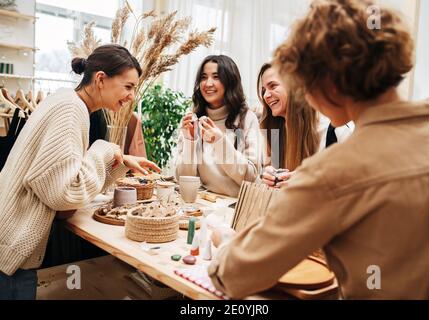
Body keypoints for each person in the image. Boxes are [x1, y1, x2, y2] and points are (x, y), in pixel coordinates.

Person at [208, 0, 429, 299]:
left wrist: (227, 242)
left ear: (329, 82)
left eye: (304, 83)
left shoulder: (333, 172)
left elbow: (234, 275)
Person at [0, 44, 160, 299]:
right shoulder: (72, 110)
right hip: (11, 255)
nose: (131, 96)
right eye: (128, 87)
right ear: (100, 79)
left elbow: (60, 181)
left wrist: (119, 160)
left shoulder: (66, 100)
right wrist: (104, 149)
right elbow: (64, 193)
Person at [175, 55, 262, 197]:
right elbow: (182, 179)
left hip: (237, 206)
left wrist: (219, 142)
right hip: (205, 204)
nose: (208, 83)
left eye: (216, 77)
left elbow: (251, 178)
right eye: (203, 77)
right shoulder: (193, 120)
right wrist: (190, 142)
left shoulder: (247, 119)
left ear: (230, 81)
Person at [258, 63, 353, 188]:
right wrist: (267, 175)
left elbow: (354, 184)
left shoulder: (336, 131)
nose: (266, 96)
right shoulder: (274, 133)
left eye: (273, 86)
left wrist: (310, 179)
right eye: (264, 90)